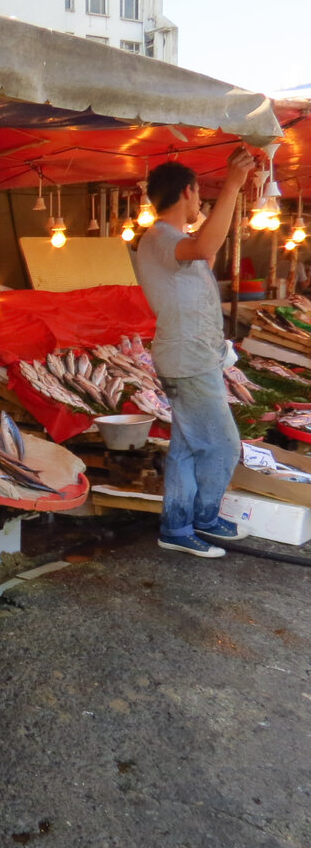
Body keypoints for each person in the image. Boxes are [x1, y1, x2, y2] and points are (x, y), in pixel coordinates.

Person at [131, 147, 256, 558]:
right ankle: (202, 516)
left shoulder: (173, 238)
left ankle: (178, 526)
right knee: (223, 443)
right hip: (186, 359)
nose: (200, 201)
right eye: (199, 193)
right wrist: (234, 184)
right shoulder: (162, 237)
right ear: (187, 191)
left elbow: (206, 246)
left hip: (193, 355)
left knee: (186, 447)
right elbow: (204, 249)